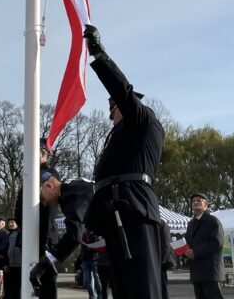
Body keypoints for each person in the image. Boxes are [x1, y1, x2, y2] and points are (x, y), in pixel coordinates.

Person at [81, 24, 166, 299]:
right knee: (122, 288)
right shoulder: (120, 131)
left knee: (142, 287)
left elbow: (123, 92)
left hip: (133, 209)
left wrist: (99, 54)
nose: (110, 116)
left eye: (113, 108)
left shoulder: (142, 119)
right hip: (115, 212)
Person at [29, 165, 94, 298]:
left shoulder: (71, 195)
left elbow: (74, 235)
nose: (44, 203)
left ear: (49, 185)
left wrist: (48, 259)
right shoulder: (75, 189)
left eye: (41, 198)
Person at [15, 139, 61, 297]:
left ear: (44, 155)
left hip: (43, 238)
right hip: (29, 237)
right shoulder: (30, 176)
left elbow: (49, 210)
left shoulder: (48, 175)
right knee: (30, 286)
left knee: (46, 284)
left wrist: (45, 242)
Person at [184, 193, 225, 299]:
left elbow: (216, 242)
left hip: (210, 271)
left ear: (206, 204)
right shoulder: (191, 223)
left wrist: (196, 252)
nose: (195, 202)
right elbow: (188, 243)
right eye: (193, 201)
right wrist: (183, 251)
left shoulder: (213, 221)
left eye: (199, 200)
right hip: (196, 272)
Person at [80, 232, 102, 299]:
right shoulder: (83, 235)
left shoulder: (96, 235)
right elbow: (82, 248)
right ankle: (92, 296)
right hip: (85, 260)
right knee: (88, 281)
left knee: (97, 280)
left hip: (94, 260)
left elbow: (97, 246)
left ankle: (100, 296)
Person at [4, 218, 21, 299]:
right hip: (11, 265)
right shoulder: (7, 235)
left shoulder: (20, 233)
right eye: (9, 222)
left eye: (13, 222)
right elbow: (6, 250)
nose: (10, 224)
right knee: (13, 287)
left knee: (20, 287)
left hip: (20, 265)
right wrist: (6, 264)